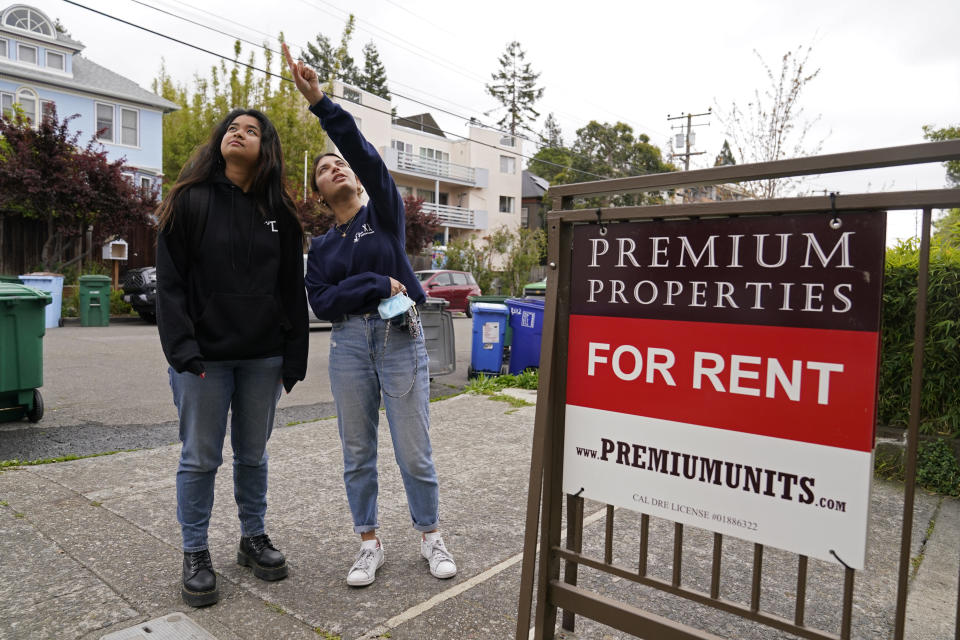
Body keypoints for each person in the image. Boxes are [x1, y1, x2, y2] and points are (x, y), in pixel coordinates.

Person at [282, 43, 457, 587]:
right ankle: (368, 543)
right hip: (349, 347)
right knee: (357, 451)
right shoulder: (323, 246)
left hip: (399, 338)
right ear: (318, 192)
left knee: (414, 449)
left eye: (340, 164)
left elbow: (363, 151)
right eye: (323, 168)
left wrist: (320, 102)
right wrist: (374, 282)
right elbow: (322, 302)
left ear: (356, 179)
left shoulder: (382, 213)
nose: (334, 167)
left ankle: (430, 536)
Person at [155, 108, 308, 607]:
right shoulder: (190, 200)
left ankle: (253, 537)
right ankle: (195, 552)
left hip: (262, 357)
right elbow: (171, 284)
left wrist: (293, 357)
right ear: (220, 140)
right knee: (200, 458)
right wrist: (182, 350)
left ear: (266, 149)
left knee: (253, 455)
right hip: (203, 359)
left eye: (252, 130)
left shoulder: (279, 214)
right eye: (233, 128)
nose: (239, 134)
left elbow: (289, 289)